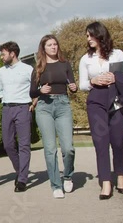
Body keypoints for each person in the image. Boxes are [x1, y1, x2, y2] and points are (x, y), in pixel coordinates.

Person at [78, 21, 123, 200]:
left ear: (99, 34)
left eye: (90, 35)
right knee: (100, 141)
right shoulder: (86, 59)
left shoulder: (118, 54)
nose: (88, 39)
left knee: (118, 139)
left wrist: (115, 77)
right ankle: (105, 182)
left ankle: (120, 176)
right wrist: (93, 82)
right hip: (96, 101)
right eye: (87, 36)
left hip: (117, 100)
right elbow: (82, 85)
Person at [30, 35, 77, 199]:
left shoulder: (65, 64)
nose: (53, 47)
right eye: (49, 45)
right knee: (50, 149)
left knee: (68, 148)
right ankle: (56, 185)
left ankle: (68, 175)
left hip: (63, 105)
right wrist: (39, 91)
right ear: (43, 48)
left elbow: (73, 85)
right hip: (44, 107)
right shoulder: (38, 68)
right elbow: (32, 92)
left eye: (55, 44)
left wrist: (73, 86)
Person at [0, 41, 34, 193]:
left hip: (23, 108)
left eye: (3, 54)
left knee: (24, 145)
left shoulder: (28, 69)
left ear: (12, 53)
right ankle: (20, 171)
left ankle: (22, 180)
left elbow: (35, 88)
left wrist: (33, 103)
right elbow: (0, 91)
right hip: (7, 109)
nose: (1, 57)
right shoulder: (1, 71)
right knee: (8, 144)